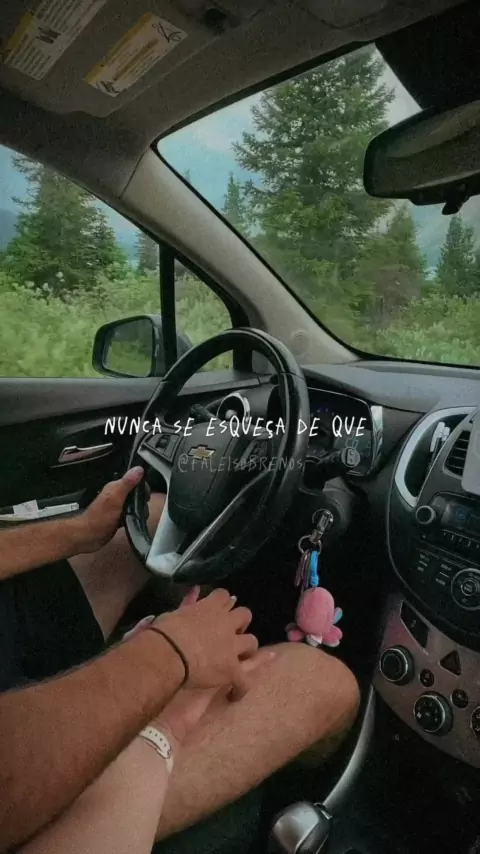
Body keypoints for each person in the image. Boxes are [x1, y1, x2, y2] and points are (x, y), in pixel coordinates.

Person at [0, 467, 360, 853]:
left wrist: (79, 531)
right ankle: (273, 807)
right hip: (26, 780)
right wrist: (169, 657)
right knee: (323, 683)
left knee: (159, 520)